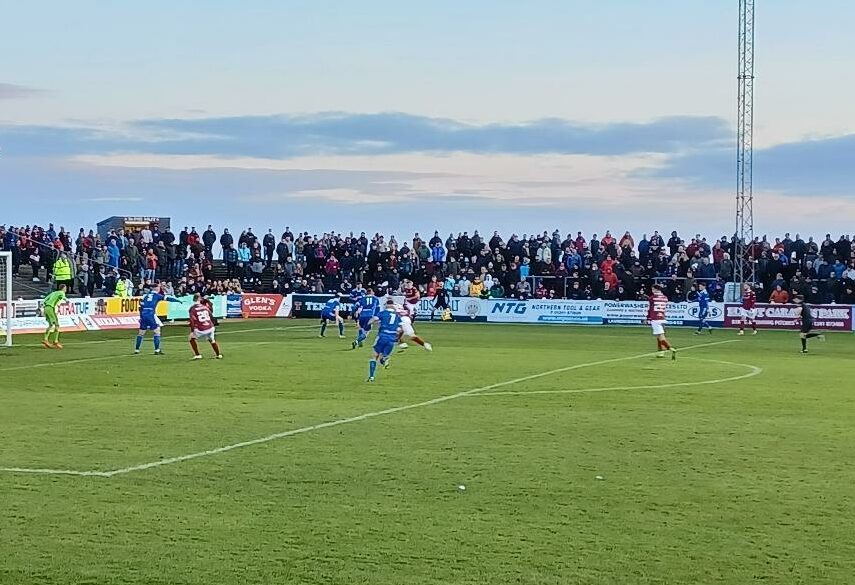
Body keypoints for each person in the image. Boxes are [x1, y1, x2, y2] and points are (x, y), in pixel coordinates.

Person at [134, 285, 182, 355]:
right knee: (157, 332)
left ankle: (137, 350)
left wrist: (141, 317)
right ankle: (157, 350)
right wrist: (177, 300)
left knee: (141, 333)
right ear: (156, 288)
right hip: (151, 314)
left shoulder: (145, 296)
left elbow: (140, 307)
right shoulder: (157, 295)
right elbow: (168, 298)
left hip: (144, 314)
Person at [367, 299, 402, 382]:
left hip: (382, 336)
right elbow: (401, 330)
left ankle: (371, 377)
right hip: (392, 339)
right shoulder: (397, 316)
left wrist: (369, 323)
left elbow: (374, 319)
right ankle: (384, 359)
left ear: (386, 305)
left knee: (374, 356)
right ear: (393, 305)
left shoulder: (383, 313)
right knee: (383, 355)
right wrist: (398, 339)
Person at [188, 294, 223, 360]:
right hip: (210, 327)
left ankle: (197, 355)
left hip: (201, 328)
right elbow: (211, 314)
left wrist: (192, 331)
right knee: (212, 340)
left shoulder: (192, 308)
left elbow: (192, 320)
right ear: (199, 299)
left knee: (191, 338)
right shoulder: (205, 307)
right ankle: (218, 354)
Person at [648, 284, 677, 359]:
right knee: (658, 336)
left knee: (660, 337)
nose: (652, 291)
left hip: (655, 318)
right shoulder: (665, 298)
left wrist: (648, 318)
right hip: (662, 318)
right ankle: (661, 352)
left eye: (652, 289)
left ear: (655, 289)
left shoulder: (652, 298)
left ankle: (670, 348)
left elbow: (650, 309)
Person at [41, 284, 68, 349]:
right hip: (50, 308)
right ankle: (55, 341)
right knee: (56, 325)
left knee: (51, 325)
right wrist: (67, 300)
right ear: (63, 288)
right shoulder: (61, 293)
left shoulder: (53, 293)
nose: (66, 289)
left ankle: (46, 339)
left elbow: (44, 300)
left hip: (46, 308)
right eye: (65, 288)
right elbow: (63, 297)